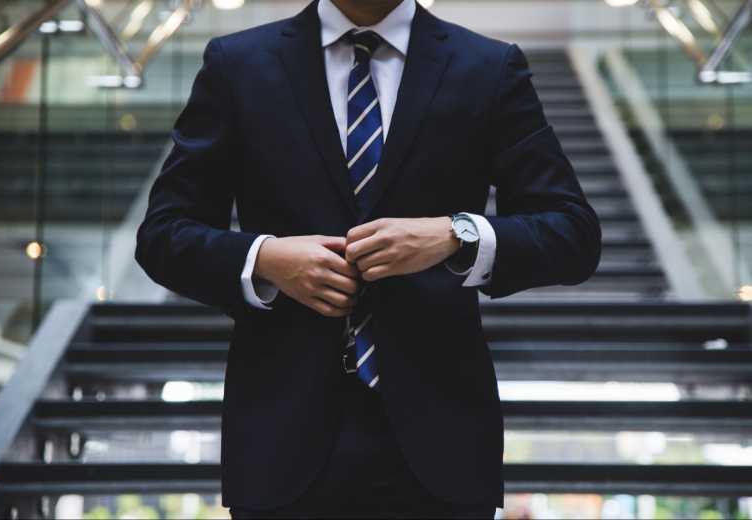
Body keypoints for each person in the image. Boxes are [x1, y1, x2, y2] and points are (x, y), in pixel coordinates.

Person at [134, 0, 602, 517]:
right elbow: (163, 234)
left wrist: (456, 234)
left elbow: (572, 232)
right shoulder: (238, 64)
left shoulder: (488, 66)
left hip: (440, 445)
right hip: (280, 441)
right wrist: (264, 258)